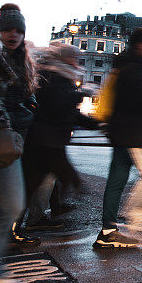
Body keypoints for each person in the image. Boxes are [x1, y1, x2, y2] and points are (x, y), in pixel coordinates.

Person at [94, 27, 142, 248]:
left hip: (122, 130)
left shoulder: (127, 67)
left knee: (117, 180)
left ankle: (108, 229)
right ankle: (137, 216)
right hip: (131, 132)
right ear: (141, 44)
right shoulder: (134, 69)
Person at [22, 44, 100, 231]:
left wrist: (97, 124)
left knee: (43, 181)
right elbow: (58, 103)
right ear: (64, 58)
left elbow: (70, 113)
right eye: (73, 57)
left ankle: (37, 216)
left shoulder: (60, 75)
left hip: (51, 138)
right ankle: (27, 221)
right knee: (53, 179)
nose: (77, 62)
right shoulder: (53, 75)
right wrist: (81, 94)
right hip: (46, 139)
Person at [0, 4, 38, 283]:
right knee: (10, 204)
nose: (12, 35)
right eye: (6, 29)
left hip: (11, 140)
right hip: (4, 134)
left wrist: (29, 107)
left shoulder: (23, 60)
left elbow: (24, 96)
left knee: (12, 206)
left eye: (17, 30)